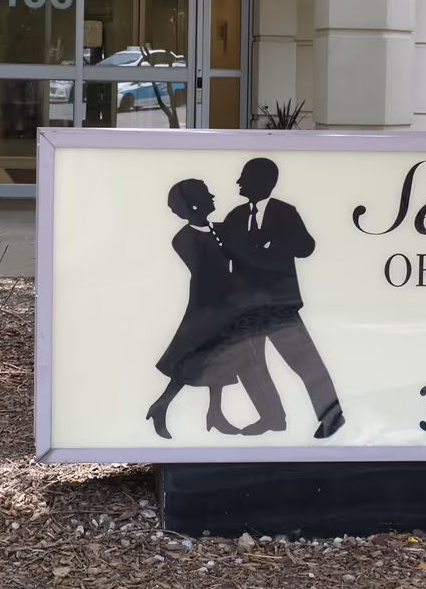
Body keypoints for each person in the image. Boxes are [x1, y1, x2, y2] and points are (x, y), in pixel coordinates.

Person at [218, 157, 345, 438]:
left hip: (279, 305)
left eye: (244, 177)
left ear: (264, 182)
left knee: (306, 363)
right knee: (250, 366)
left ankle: (333, 417)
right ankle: (272, 418)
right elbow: (226, 251)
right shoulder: (235, 216)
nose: (238, 182)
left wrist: (270, 243)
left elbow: (306, 247)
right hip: (246, 306)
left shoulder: (285, 213)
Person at [145, 179, 257, 438]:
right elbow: (207, 270)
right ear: (194, 203)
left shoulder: (219, 229)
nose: (213, 197)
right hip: (205, 306)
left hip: (226, 304)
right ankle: (162, 404)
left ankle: (214, 413)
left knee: (223, 358)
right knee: (195, 358)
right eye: (207, 194)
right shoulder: (183, 239)